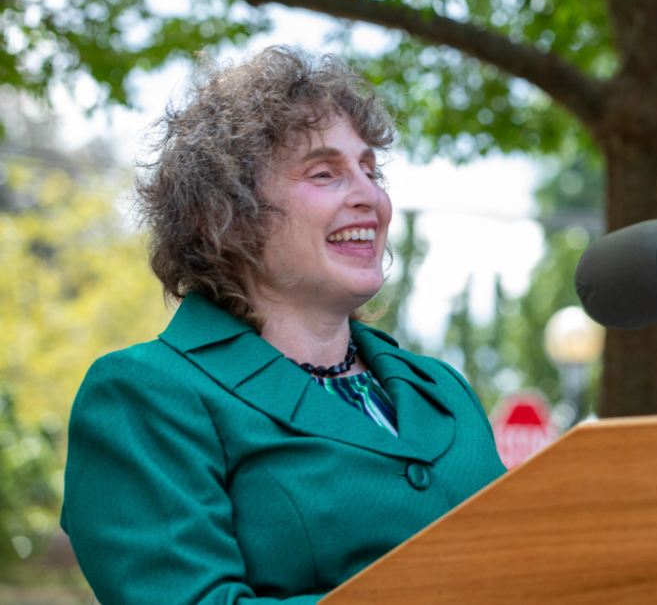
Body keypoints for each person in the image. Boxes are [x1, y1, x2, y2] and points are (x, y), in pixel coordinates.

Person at [61, 46, 506, 605]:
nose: (370, 196)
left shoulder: (445, 388)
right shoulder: (142, 396)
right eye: (326, 173)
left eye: (371, 170)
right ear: (224, 215)